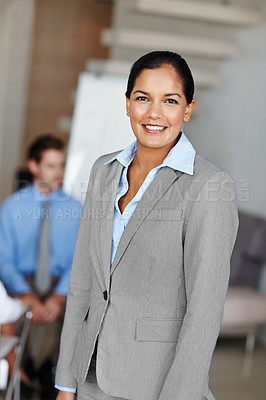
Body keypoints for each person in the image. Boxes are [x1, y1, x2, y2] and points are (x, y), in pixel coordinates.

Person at [55, 51, 239, 400]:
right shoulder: (103, 172)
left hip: (154, 384)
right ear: (127, 104)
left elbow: (204, 311)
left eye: (170, 100)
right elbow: (83, 284)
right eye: (143, 98)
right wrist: (66, 381)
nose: (154, 113)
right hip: (88, 375)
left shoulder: (209, 186)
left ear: (188, 108)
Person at [0, 134, 82, 399]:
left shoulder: (77, 209)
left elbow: (79, 260)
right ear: (33, 166)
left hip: (64, 283)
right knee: (7, 317)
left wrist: (59, 297)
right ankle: (20, 375)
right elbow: (4, 260)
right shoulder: (11, 208)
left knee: (83, 316)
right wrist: (27, 295)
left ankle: (56, 376)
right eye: (51, 165)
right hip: (23, 283)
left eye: (61, 165)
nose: (58, 172)